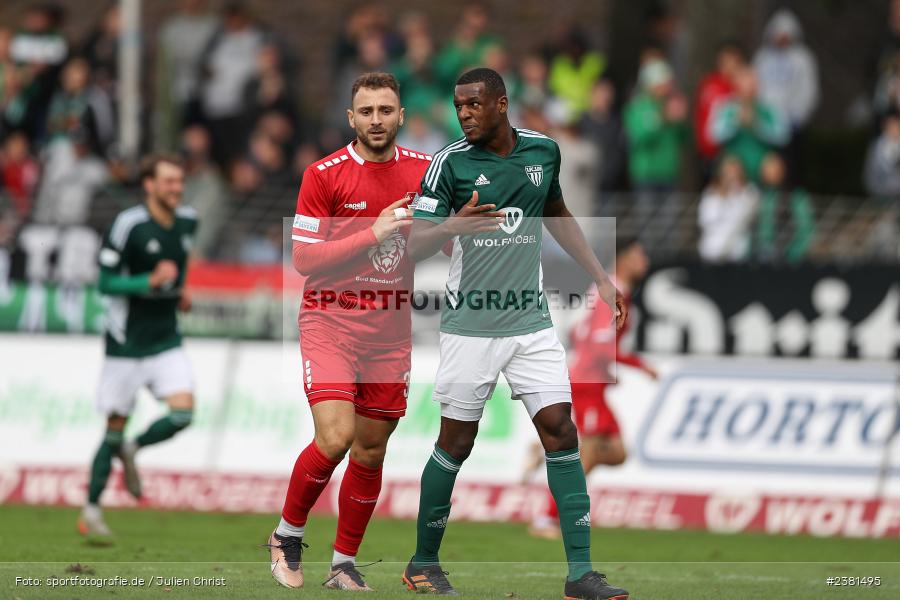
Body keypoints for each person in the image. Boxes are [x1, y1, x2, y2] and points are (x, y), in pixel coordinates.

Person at [402, 67, 628, 600]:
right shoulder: (449, 163)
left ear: (502, 105)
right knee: (456, 443)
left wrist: (601, 275)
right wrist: (453, 226)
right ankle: (422, 563)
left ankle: (580, 576)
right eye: (459, 106)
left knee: (562, 431)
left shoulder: (543, 152)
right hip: (472, 326)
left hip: (530, 321)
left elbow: (557, 212)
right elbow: (411, 246)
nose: (465, 114)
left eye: (474, 105)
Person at [265, 72, 433, 591]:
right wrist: (372, 232)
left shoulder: (427, 172)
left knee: (371, 450)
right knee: (336, 436)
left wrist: (464, 227)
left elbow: (431, 245)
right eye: (367, 111)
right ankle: (287, 534)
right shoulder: (324, 174)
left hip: (390, 330)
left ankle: (343, 564)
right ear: (351, 118)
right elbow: (305, 259)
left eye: (386, 110)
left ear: (401, 116)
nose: (377, 120)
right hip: (331, 320)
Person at [78, 154, 198, 539]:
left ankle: (133, 448)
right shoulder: (128, 224)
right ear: (149, 184)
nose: (176, 188)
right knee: (112, 428)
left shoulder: (188, 221)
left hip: (165, 338)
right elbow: (105, 283)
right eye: (168, 181)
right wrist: (147, 281)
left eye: (179, 181)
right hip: (126, 343)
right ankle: (92, 509)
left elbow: (181, 262)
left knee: (183, 413)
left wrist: (180, 290)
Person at [528, 236, 656, 539]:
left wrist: (606, 368)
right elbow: (599, 345)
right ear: (623, 259)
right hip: (586, 383)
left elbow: (580, 331)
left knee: (615, 452)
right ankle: (548, 519)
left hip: (591, 382)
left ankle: (540, 452)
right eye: (639, 255)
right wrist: (638, 365)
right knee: (586, 453)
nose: (645, 262)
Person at [698, 155, 759, 263]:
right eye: (728, 170)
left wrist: (737, 193)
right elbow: (706, 220)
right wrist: (722, 197)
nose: (731, 174)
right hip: (712, 250)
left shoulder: (750, 191)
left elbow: (744, 218)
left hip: (739, 251)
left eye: (735, 170)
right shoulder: (711, 192)